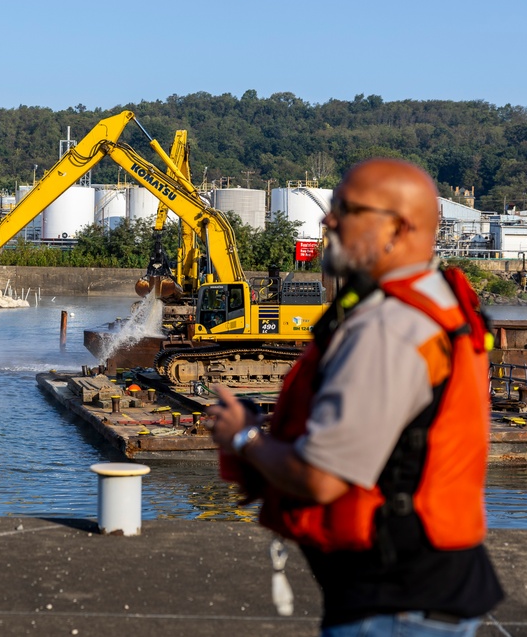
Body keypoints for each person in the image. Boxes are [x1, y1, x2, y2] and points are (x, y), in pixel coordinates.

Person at [207, 158, 503, 636]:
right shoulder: (437, 303)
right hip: (426, 588)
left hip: (396, 604)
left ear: (398, 227)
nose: (328, 219)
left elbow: (321, 478)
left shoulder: (389, 328)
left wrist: (244, 437)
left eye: (346, 208)